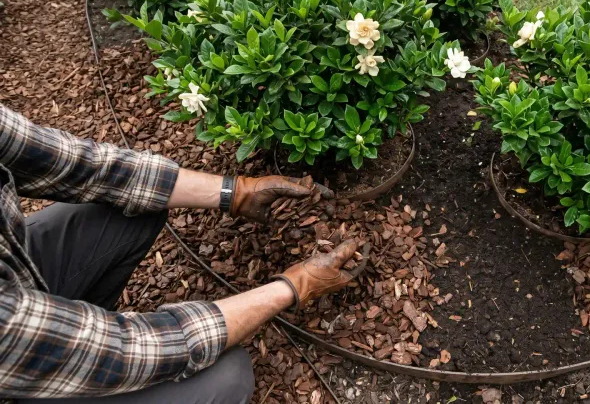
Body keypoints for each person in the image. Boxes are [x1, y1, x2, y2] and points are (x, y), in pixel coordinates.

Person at [0, 105, 364, 403]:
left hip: (16, 280)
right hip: (15, 362)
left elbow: (85, 166)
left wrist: (237, 192)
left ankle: (81, 314)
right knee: (226, 376)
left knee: (131, 210)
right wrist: (294, 285)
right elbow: (124, 351)